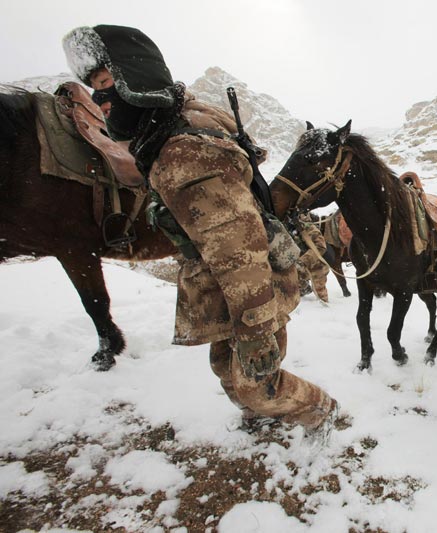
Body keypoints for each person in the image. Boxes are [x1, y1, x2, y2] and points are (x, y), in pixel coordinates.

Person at [62, 25, 338, 441]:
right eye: (94, 90)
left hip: (250, 287)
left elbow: (239, 250)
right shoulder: (172, 129)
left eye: (105, 85)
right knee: (227, 371)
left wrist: (257, 328)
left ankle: (321, 410)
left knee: (256, 382)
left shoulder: (184, 152)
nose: (100, 102)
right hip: (224, 284)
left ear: (136, 78)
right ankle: (261, 412)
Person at [287, 211, 330, 304]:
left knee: (322, 301)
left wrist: (301, 262)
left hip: (315, 268)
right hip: (293, 271)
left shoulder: (303, 223)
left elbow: (320, 246)